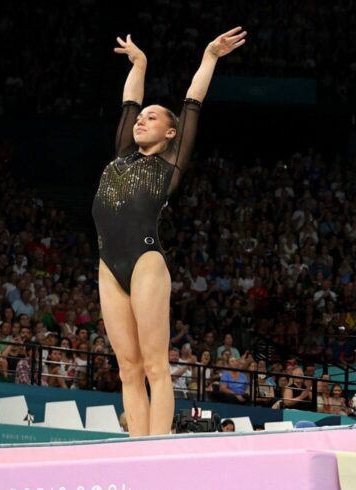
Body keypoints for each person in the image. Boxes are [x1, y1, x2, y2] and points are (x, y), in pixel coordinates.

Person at [91, 28, 247, 436]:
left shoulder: (171, 164)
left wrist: (210, 57)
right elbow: (130, 100)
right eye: (141, 117)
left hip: (145, 261)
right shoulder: (123, 154)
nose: (141, 120)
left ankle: (159, 450)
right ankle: (135, 446)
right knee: (128, 368)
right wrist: (139, 64)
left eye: (152, 117)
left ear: (171, 133)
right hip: (108, 262)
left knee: (155, 365)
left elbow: (193, 103)